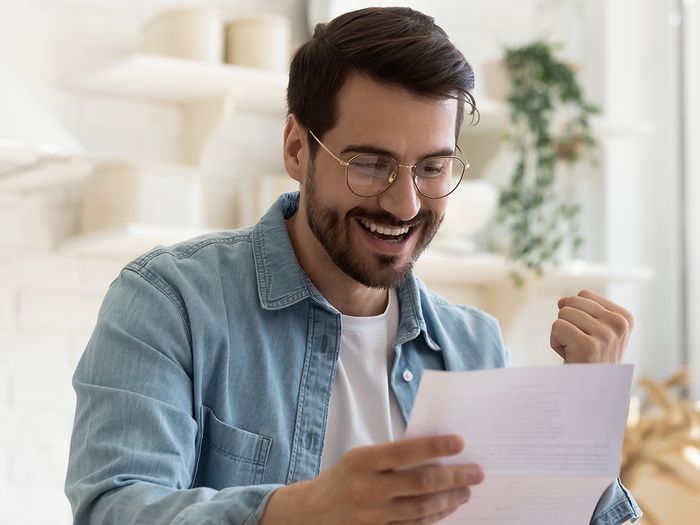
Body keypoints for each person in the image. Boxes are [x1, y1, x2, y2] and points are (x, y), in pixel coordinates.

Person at [65, 7, 641, 525]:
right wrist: (306, 510)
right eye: (370, 164)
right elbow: (113, 509)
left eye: (433, 168)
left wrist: (583, 420)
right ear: (296, 148)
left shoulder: (473, 346)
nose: (405, 203)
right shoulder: (171, 304)